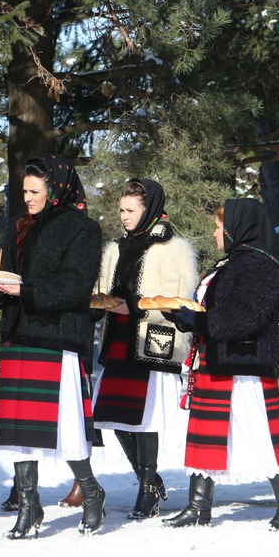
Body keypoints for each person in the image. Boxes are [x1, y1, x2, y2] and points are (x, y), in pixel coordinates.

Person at [0, 155, 104, 539]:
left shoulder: (84, 229)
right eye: (24, 190)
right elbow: (10, 274)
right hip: (20, 335)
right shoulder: (20, 227)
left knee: (67, 424)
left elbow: (76, 287)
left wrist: (25, 291)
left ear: (57, 190)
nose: (27, 198)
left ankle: (92, 491)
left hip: (57, 336)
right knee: (20, 430)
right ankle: (30, 506)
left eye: (35, 191)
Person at [161, 199, 279, 531]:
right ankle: (198, 507)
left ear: (238, 228)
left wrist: (199, 320)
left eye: (219, 227)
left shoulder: (262, 265)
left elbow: (246, 318)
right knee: (204, 434)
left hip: (246, 365)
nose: (214, 232)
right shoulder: (228, 264)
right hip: (218, 359)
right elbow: (214, 314)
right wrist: (186, 319)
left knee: (260, 434)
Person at [91, 178, 196, 520]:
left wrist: (132, 306)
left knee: (145, 417)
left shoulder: (172, 250)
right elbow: (105, 288)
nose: (124, 216)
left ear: (148, 209)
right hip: (118, 338)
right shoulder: (116, 249)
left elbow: (178, 296)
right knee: (114, 415)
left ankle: (148, 489)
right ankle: (146, 477)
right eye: (121, 210)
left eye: (131, 210)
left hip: (151, 341)